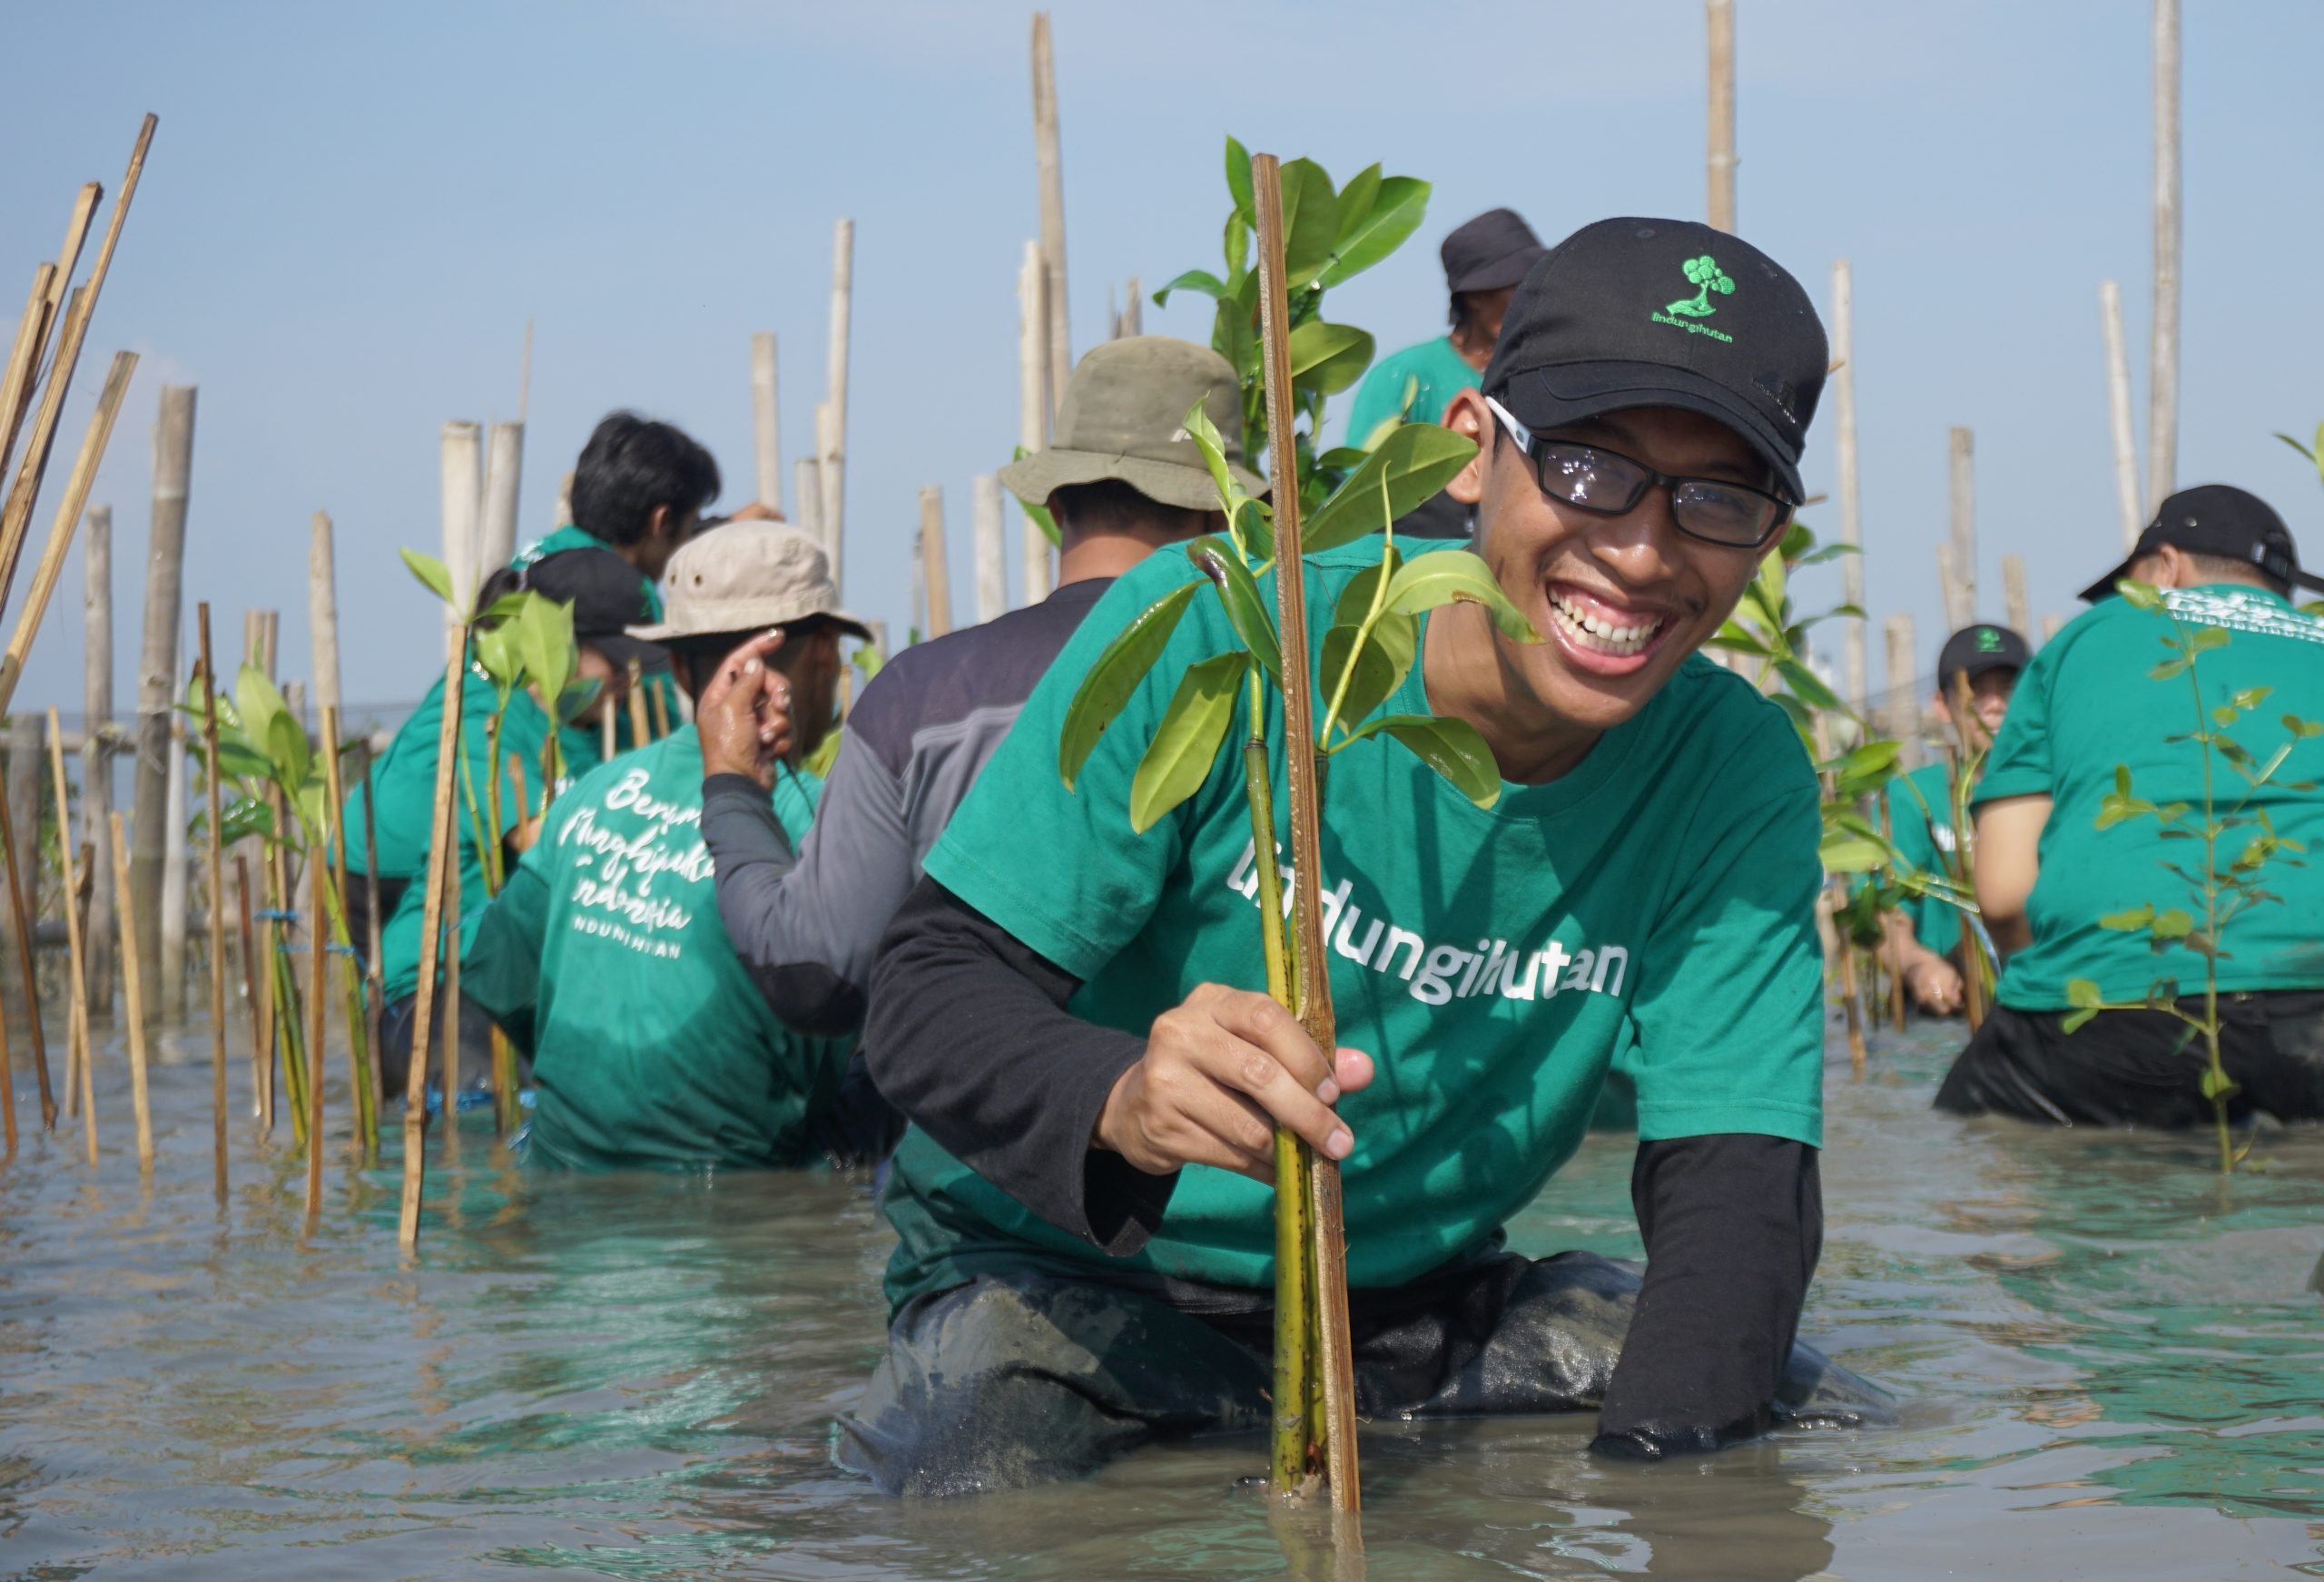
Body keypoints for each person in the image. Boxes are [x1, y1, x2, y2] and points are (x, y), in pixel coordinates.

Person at [810, 217, 1889, 1497]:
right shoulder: (1225, 626)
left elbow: (1737, 1201)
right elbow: (926, 993)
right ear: (1479, 453)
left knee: (1803, 1429)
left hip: (1416, 1304)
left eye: (1718, 496)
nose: (1645, 551)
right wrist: (1119, 1093)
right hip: (1069, 1276)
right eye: (1593, 468)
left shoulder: (1735, 768)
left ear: (1769, 535)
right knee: (966, 1490)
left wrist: (1676, 1500)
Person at [694, 337, 1250, 1044]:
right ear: (1220, 516)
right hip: (1207, 1147)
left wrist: (734, 792)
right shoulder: (1267, 690)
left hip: (969, 1142)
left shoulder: (916, 697)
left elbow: (817, 976)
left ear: (1055, 506)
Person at [459, 522, 874, 1168]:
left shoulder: (592, 794)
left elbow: (498, 971)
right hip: (743, 1216)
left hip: (567, 1205)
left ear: (678, 665)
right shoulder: (835, 820)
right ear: (825, 650)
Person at [1936, 486, 2324, 1126]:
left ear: (2165, 566)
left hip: (2118, 1015)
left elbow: (2004, 895)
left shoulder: (2084, 640)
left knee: (1974, 1153)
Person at [347, 548, 651, 1096]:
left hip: (531, 990)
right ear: (558, 644)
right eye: (616, 659)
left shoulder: (596, 727)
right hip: (438, 985)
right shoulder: (488, 725)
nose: (631, 682)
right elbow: (556, 851)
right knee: (483, 1099)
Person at [1884, 623, 2030, 1015]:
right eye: (1976, 692)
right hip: (1953, 1008)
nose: (1995, 704)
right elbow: (1889, 916)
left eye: (2009, 689)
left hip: (2036, 998)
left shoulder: (2060, 788)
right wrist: (1918, 965)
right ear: (1941, 705)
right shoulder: (1913, 796)